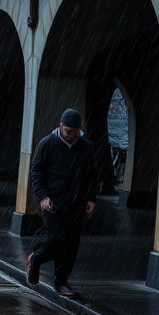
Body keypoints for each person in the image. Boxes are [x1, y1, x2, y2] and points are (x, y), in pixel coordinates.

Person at [26, 108, 97, 298]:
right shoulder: (48, 143)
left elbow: (92, 175)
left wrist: (91, 198)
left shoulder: (86, 147)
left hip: (77, 203)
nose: (72, 136)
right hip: (53, 201)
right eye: (68, 132)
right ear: (60, 126)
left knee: (72, 243)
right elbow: (36, 172)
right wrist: (43, 196)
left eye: (75, 133)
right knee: (55, 238)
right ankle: (37, 258)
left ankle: (62, 282)